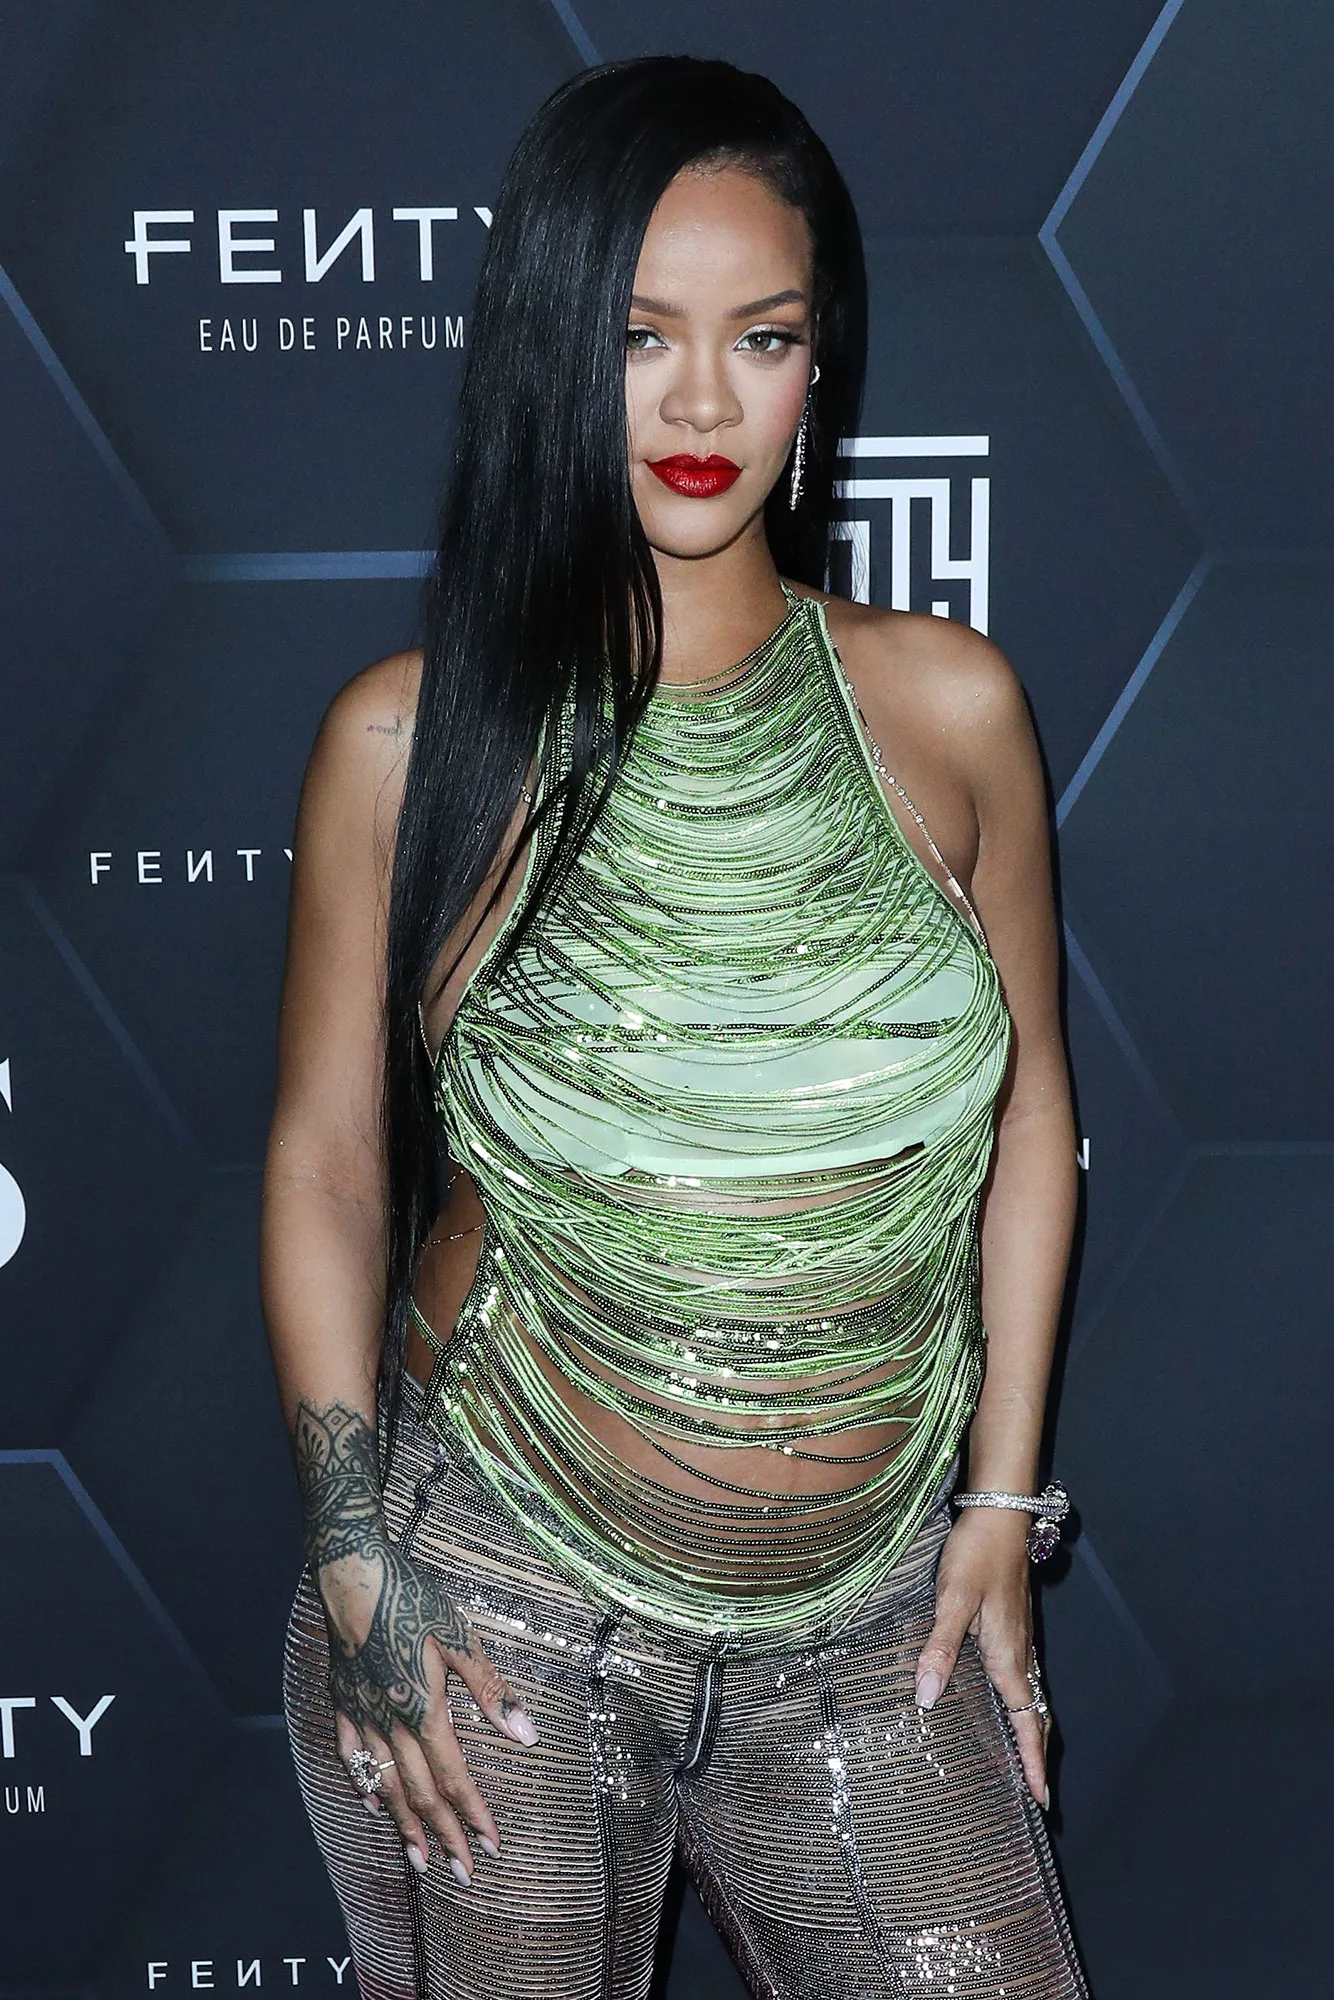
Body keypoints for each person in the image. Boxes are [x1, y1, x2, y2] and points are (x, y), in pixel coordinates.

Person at [263, 54, 1088, 2000]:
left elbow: (1030, 1119)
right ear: (553, 348)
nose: (705, 404)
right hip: (499, 1609)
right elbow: (327, 1166)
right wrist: (359, 1563)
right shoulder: (409, 739)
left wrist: (997, 1505)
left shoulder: (951, 707)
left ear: (818, 366)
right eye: (642, 337)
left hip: (875, 1614)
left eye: (762, 337)